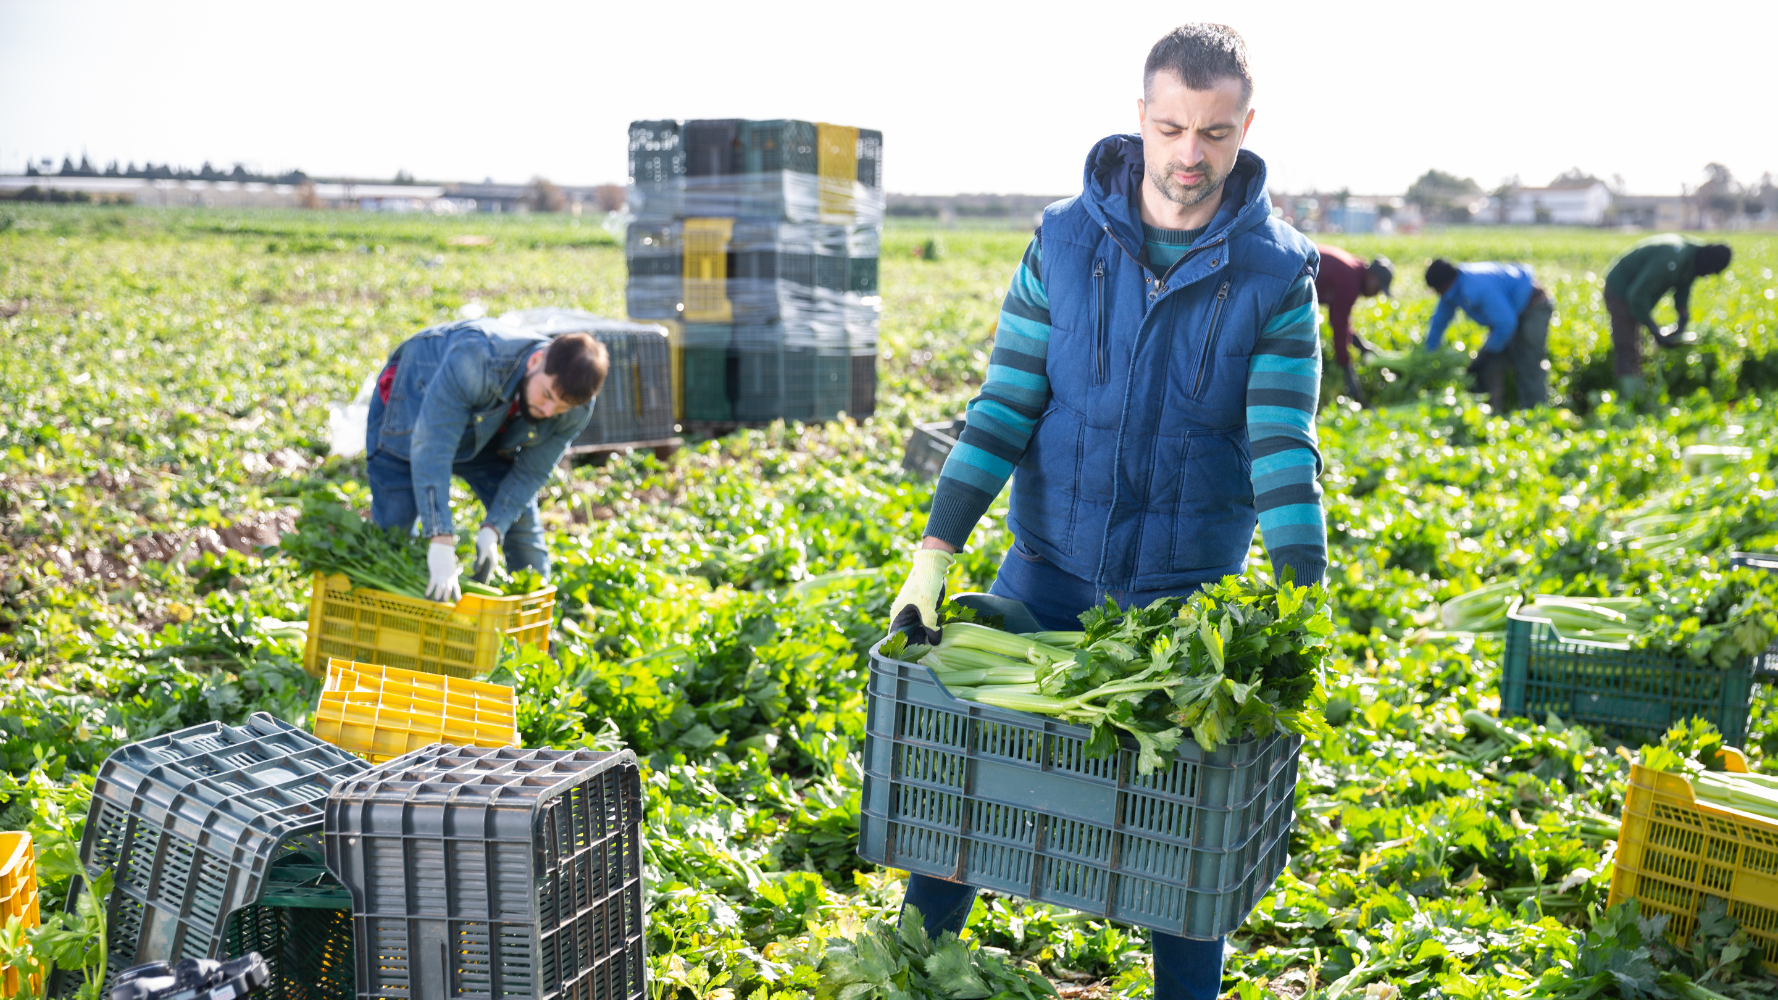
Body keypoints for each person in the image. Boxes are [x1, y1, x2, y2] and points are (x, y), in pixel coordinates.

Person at [888, 23, 1325, 1000]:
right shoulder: (1062, 241)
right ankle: (910, 972)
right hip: (1041, 576)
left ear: (1244, 128)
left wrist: (1304, 600)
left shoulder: (1274, 276)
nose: (1187, 155)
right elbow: (1002, 407)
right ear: (1139, 118)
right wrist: (932, 555)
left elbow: (1279, 450)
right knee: (959, 797)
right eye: (1170, 126)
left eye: (1212, 133)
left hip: (1176, 605)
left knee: (1181, 852)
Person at [364, 318, 608, 602]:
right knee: (394, 533)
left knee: (521, 527)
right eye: (546, 395)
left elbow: (531, 472)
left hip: (488, 432)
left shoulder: (575, 407)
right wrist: (440, 538)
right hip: (410, 409)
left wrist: (494, 528)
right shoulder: (476, 359)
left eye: (561, 406)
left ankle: (537, 632)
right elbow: (433, 446)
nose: (548, 410)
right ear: (536, 361)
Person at [1603, 235, 1733, 399]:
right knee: (1627, 347)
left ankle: (1639, 393)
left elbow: (1683, 286)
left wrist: (1682, 318)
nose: (1704, 274)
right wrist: (1654, 330)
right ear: (1706, 263)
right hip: (1620, 290)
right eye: (1708, 271)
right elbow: (1635, 295)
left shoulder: (1692, 259)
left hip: (1633, 293)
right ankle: (1629, 403)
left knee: (1637, 346)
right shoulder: (1672, 258)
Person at [1422, 258, 1551, 413]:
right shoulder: (1452, 290)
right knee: (1489, 368)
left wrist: (1488, 352)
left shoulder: (1476, 286)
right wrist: (1429, 351)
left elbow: (1506, 324)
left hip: (1532, 307)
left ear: (1444, 284)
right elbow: (1439, 321)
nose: (1437, 293)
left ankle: (1536, 417)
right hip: (1508, 315)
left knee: (1527, 363)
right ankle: (1493, 417)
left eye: (1437, 289)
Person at [1315, 244, 1393, 403]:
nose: (1376, 294)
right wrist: (1347, 371)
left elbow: (1339, 319)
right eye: (1378, 288)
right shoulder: (1350, 281)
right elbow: (1338, 326)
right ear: (1371, 278)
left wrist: (1361, 346)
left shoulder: (1354, 270)